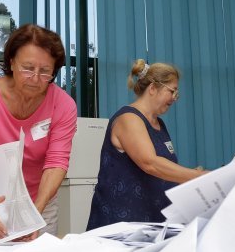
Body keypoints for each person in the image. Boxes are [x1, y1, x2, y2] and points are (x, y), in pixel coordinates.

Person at [0, 24, 77, 241]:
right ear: (11, 62)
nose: (35, 78)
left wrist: (34, 212)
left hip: (40, 200)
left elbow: (57, 163)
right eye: (27, 68)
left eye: (45, 71)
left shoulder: (63, 105)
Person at [87, 60, 206, 229]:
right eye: (172, 91)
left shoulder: (159, 125)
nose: (174, 98)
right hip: (122, 223)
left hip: (153, 219)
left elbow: (166, 170)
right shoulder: (129, 119)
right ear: (152, 88)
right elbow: (150, 163)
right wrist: (197, 176)